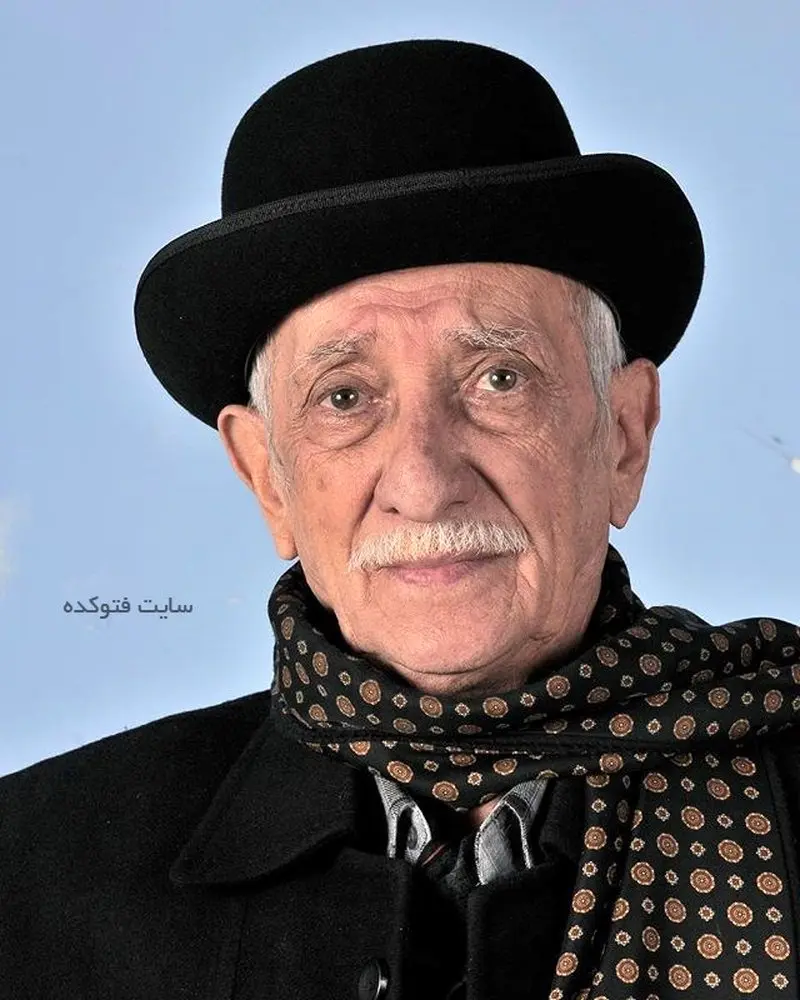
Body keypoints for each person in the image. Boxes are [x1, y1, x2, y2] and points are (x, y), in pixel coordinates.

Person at [2, 38, 799, 1000]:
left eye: (498, 379)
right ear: (267, 477)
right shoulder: (28, 877)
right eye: (345, 398)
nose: (423, 482)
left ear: (623, 438)